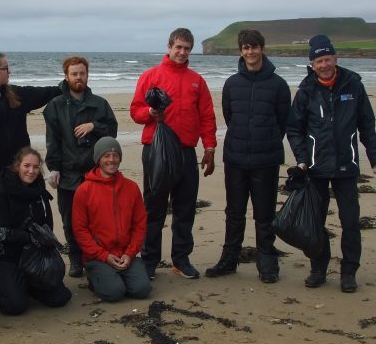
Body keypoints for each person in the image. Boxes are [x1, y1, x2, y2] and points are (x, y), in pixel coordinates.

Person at [287, 35, 376, 293]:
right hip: (316, 169)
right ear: (312, 63)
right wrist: (301, 158)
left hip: (346, 167)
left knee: (350, 222)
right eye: (318, 61)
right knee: (315, 223)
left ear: (335, 59)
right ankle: (318, 268)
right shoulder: (306, 90)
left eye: (327, 59)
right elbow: (294, 128)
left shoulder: (353, 84)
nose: (324, 65)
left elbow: (366, 124)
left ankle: (349, 272)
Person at [130, 28, 217, 280]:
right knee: (154, 208)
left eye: (187, 48)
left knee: (185, 209)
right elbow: (135, 112)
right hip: (156, 151)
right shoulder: (151, 76)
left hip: (186, 152)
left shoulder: (196, 80)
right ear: (169, 47)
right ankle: (149, 261)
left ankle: (181, 259)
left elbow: (207, 116)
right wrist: (150, 113)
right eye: (178, 47)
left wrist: (209, 148)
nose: (181, 52)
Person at [206, 29, 291, 283]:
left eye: (254, 47)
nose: (250, 52)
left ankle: (267, 261)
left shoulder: (279, 85)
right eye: (245, 47)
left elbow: (283, 122)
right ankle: (229, 259)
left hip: (266, 159)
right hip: (235, 158)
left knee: (264, 213)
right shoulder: (232, 83)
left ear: (262, 49)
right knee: (234, 212)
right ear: (240, 51)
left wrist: (265, 140)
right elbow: (229, 116)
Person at [0, 51, 62, 228]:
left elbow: (45, 93)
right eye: (6, 68)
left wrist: (67, 85)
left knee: (24, 220)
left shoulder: (15, 93)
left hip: (21, 173)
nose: (10, 72)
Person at [43, 56, 118, 278]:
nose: (79, 78)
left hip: (94, 173)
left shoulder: (100, 104)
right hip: (67, 174)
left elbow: (111, 131)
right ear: (66, 76)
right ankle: (76, 260)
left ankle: (95, 257)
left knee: (98, 219)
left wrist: (94, 125)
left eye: (82, 73)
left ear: (87, 75)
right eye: (74, 74)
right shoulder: (55, 106)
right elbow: (52, 140)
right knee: (70, 221)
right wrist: (53, 168)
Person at [0, 147, 72, 315]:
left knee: (61, 298)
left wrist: (44, 242)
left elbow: (47, 224)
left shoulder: (40, 192)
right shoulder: (0, 191)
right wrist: (31, 237)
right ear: (17, 166)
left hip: (33, 254)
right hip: (7, 256)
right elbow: (0, 232)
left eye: (36, 167)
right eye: (26, 166)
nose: (31, 171)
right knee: (14, 307)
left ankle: (29, 285)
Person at [72, 137, 151, 302]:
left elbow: (139, 225)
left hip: (124, 254)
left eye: (115, 155)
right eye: (106, 155)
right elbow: (80, 230)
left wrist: (130, 253)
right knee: (115, 293)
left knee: (142, 290)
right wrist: (103, 255)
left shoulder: (131, 188)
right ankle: (97, 277)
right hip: (98, 256)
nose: (111, 160)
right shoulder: (84, 190)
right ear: (98, 159)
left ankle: (120, 275)